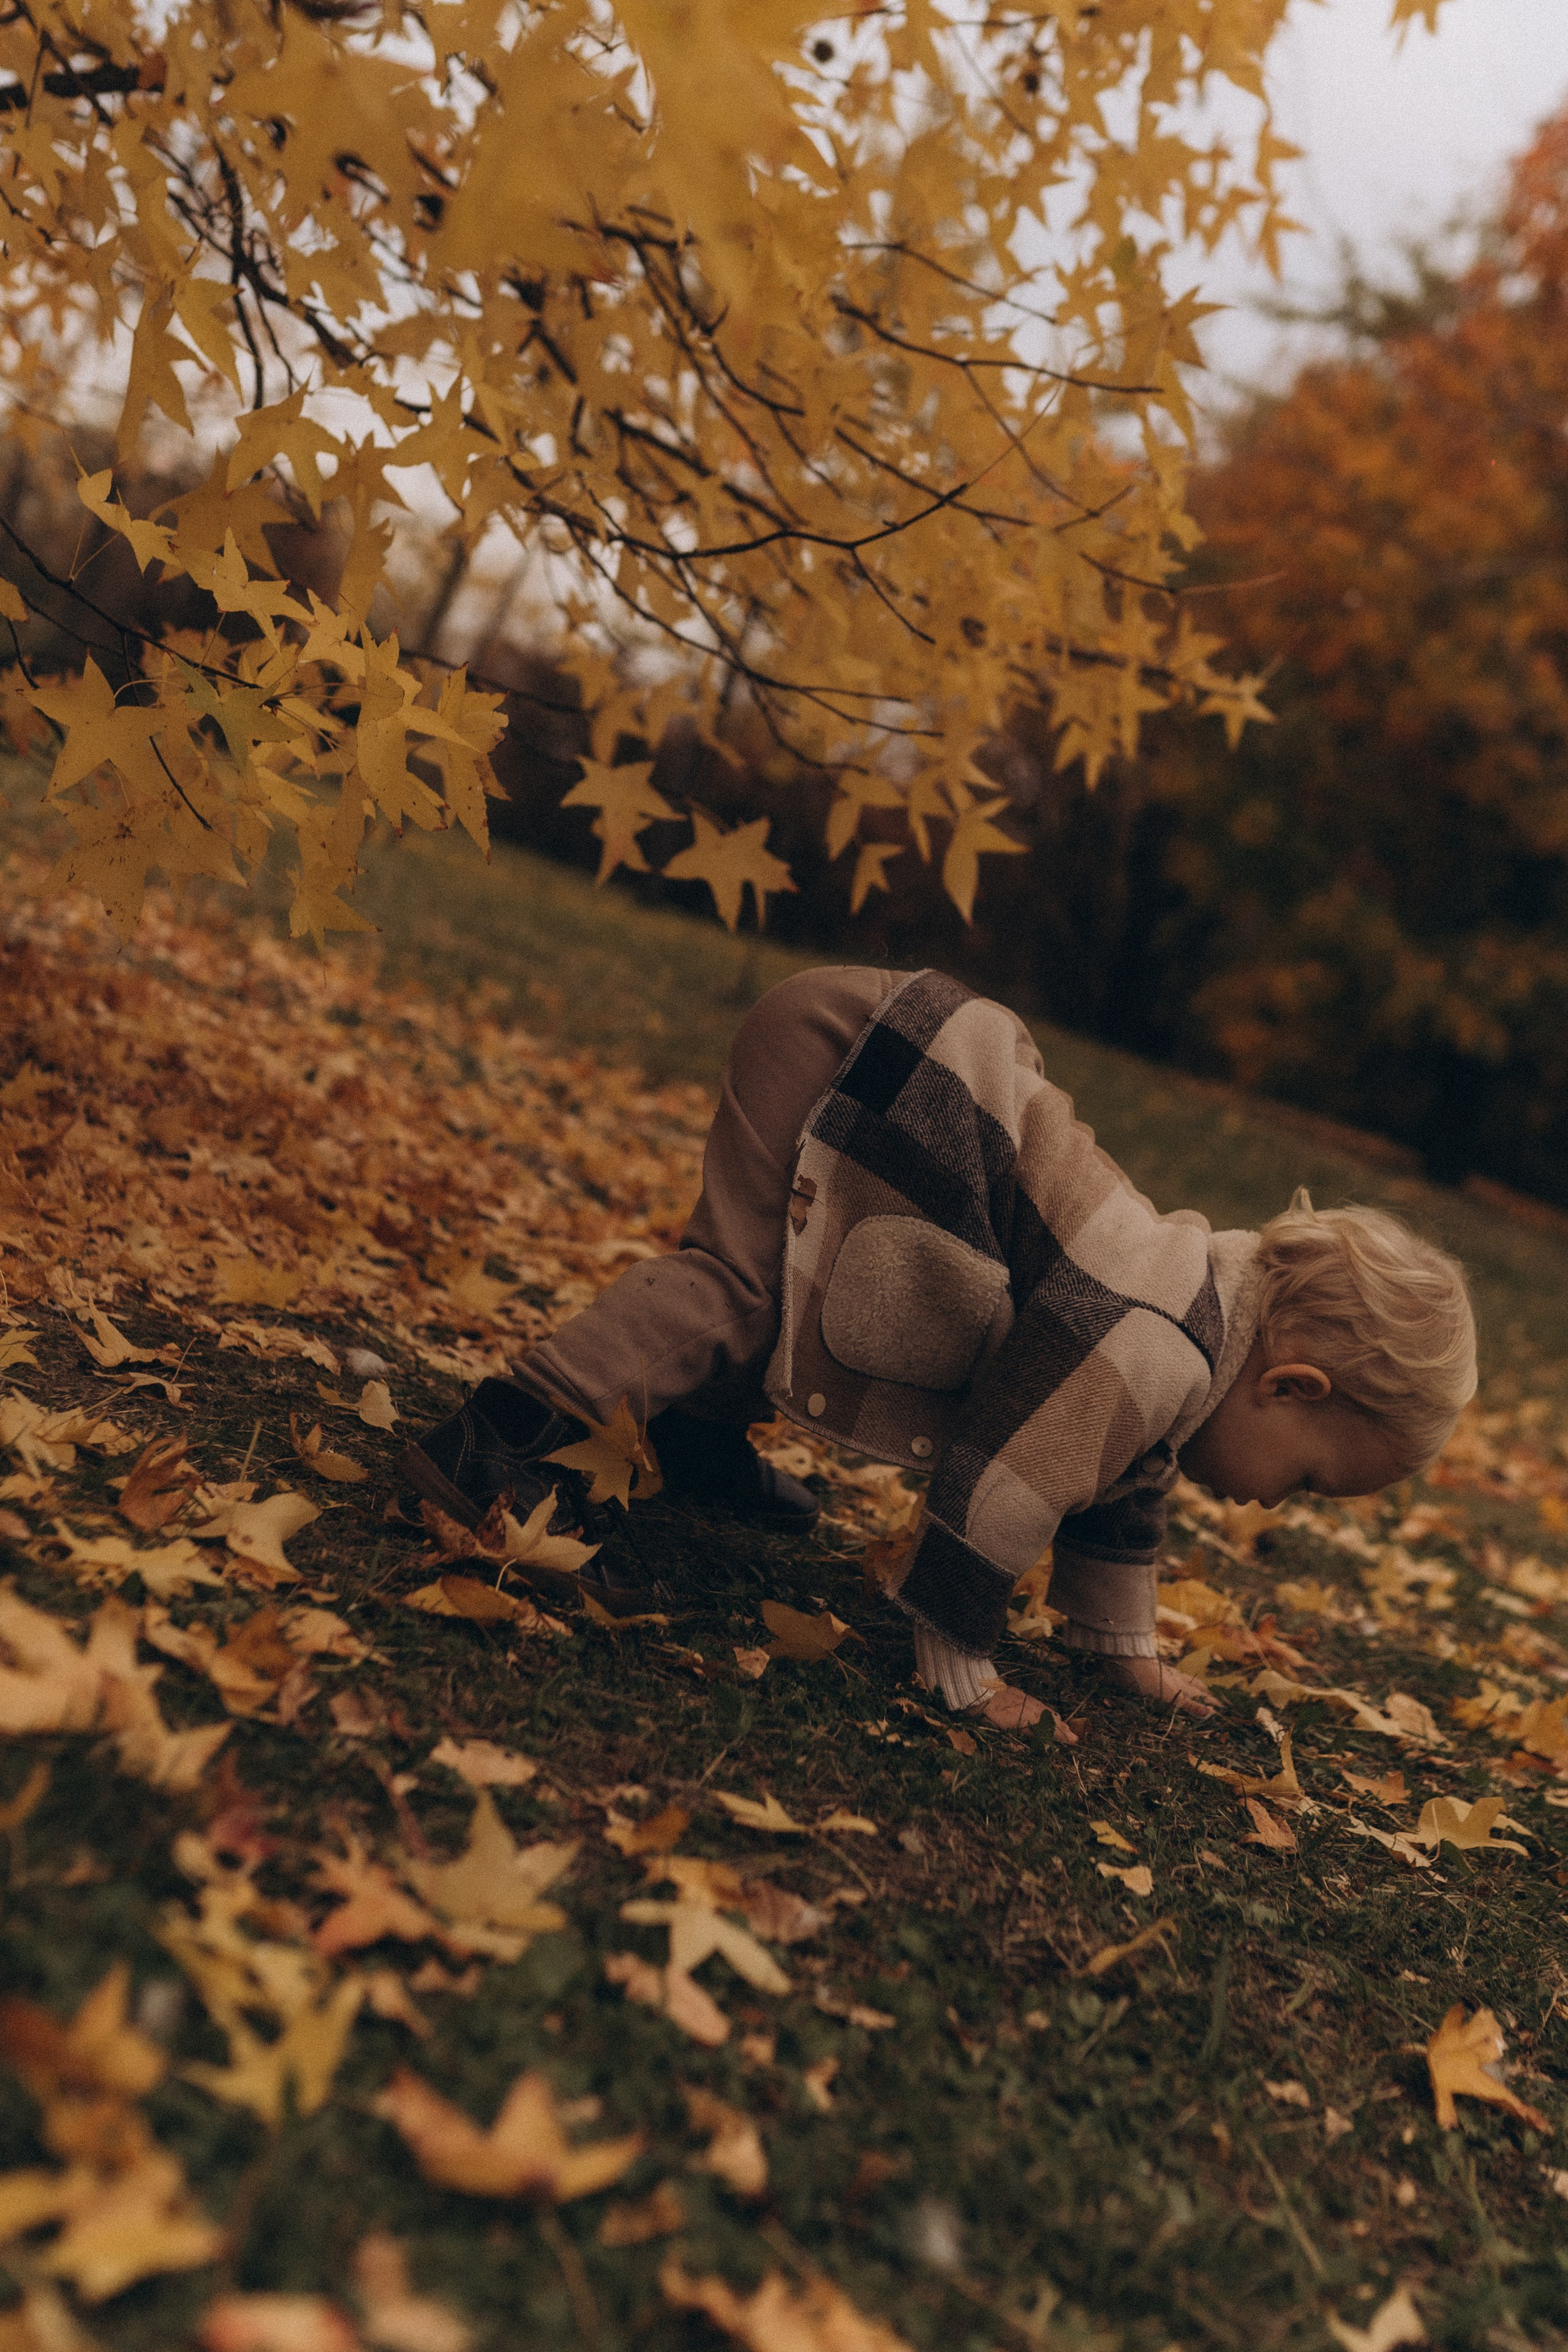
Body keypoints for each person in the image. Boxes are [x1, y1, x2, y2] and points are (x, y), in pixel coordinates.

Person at [399, 967, 1477, 1722]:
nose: (1274, 1508)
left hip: (890, 1059)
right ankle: (499, 1435)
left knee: (787, 1278)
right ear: (1291, 1385)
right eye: (1305, 1484)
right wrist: (961, 1666)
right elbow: (1010, 1475)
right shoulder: (1158, 1339)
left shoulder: (1193, 1331)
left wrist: (1123, 1651)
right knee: (752, 1288)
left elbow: (1121, 1491)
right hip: (856, 1060)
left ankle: (697, 1437)